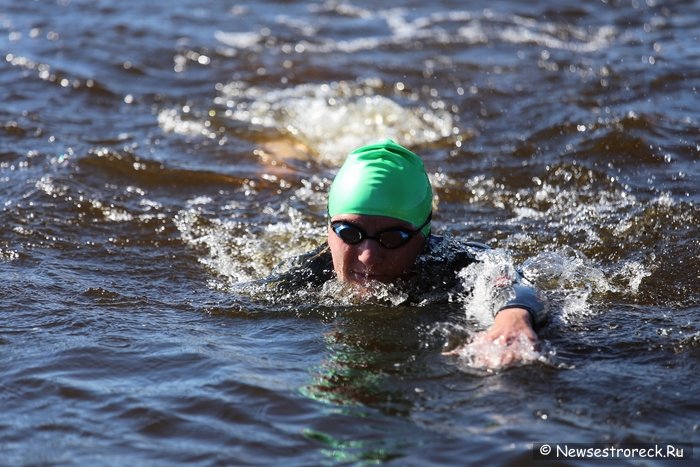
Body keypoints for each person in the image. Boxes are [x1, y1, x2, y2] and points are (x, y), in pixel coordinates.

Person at [266, 140, 546, 367]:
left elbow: (507, 277)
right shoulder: (307, 273)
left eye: (393, 237)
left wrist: (514, 316)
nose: (367, 256)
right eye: (349, 233)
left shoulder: (449, 264)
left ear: (423, 236)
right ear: (327, 226)